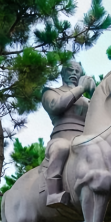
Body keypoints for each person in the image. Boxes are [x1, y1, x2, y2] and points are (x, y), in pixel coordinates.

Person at [42, 60, 96, 207]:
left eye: (77, 71)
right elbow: (56, 106)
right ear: (62, 73)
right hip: (62, 137)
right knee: (62, 147)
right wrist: (80, 89)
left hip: (84, 139)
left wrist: (94, 93)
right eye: (70, 70)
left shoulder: (87, 100)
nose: (73, 73)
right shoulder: (51, 92)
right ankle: (53, 192)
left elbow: (99, 115)